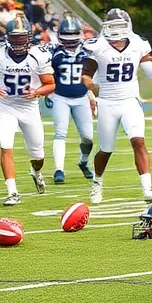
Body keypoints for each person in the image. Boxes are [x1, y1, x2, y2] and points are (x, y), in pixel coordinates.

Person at [82, 9, 152, 205]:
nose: (117, 31)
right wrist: (91, 85)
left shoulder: (137, 44)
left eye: (120, 26)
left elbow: (150, 74)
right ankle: (97, 183)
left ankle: (147, 189)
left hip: (130, 100)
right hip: (108, 103)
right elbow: (86, 74)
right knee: (106, 149)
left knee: (138, 141)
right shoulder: (98, 46)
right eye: (113, 26)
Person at [0, 15, 55, 205]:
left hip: (29, 107)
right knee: (5, 146)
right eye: (15, 36)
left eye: (22, 36)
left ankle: (36, 172)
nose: (19, 40)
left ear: (29, 36)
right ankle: (12, 192)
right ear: (7, 37)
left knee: (37, 155)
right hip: (6, 105)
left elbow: (51, 84)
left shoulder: (39, 55)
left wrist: (37, 91)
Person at [48, 15, 95, 184]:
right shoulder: (53, 53)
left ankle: (83, 161)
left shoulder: (87, 51)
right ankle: (58, 170)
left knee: (88, 137)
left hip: (81, 97)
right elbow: (47, 75)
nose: (69, 41)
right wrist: (48, 92)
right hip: (61, 97)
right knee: (60, 133)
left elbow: (90, 76)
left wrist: (91, 95)